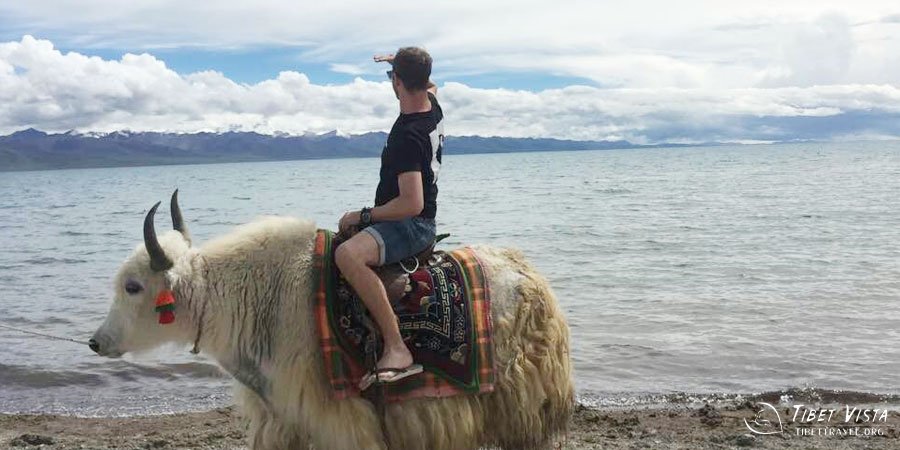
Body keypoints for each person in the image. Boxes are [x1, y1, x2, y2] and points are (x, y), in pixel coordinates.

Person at [335, 47, 444, 389]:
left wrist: (364, 214)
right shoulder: (432, 106)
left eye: (392, 77)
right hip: (412, 216)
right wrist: (398, 62)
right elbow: (431, 83)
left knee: (347, 255)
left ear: (397, 82)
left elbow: (412, 203)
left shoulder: (407, 136)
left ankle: (397, 348)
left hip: (413, 224)